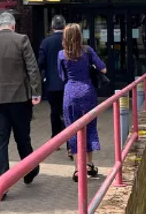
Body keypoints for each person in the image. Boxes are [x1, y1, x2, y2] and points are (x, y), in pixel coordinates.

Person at [0, 12, 43, 193]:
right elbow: (32, 67)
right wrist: (36, 92)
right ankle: (30, 170)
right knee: (23, 137)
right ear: (13, 26)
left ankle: (1, 186)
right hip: (19, 98)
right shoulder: (21, 40)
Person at [58, 23, 107, 182]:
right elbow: (103, 69)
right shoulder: (88, 51)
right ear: (80, 36)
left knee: (73, 128)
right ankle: (89, 164)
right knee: (89, 126)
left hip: (70, 92)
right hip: (88, 92)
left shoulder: (61, 54)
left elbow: (62, 76)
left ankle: (77, 169)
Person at [37, 15, 67, 143]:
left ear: (52, 27)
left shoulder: (46, 42)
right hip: (67, 82)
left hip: (52, 83)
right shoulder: (68, 40)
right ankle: (69, 140)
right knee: (67, 111)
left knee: (54, 111)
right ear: (64, 26)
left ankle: (55, 137)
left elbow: (41, 63)